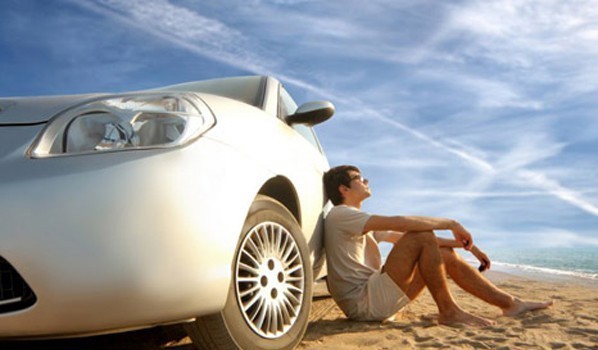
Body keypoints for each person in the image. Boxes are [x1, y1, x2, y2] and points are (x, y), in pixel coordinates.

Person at [323, 165, 552, 326]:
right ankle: (449, 311)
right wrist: (452, 223)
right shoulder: (341, 215)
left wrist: (469, 247)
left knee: (439, 249)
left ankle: (511, 304)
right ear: (344, 189)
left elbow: (409, 239)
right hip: (363, 302)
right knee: (421, 235)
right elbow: (403, 224)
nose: (366, 181)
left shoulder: (360, 222)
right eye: (359, 178)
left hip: (376, 296)